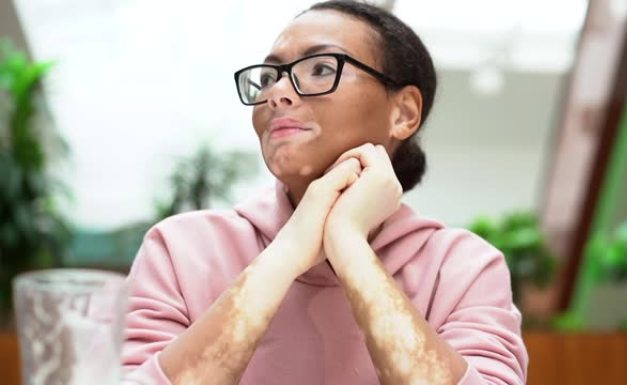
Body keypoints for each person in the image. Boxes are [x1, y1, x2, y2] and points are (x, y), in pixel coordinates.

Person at [122, 1, 528, 384]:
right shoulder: (181, 250)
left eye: (319, 68)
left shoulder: (461, 268)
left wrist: (349, 244)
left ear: (403, 113)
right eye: (269, 77)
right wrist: (288, 251)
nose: (276, 92)